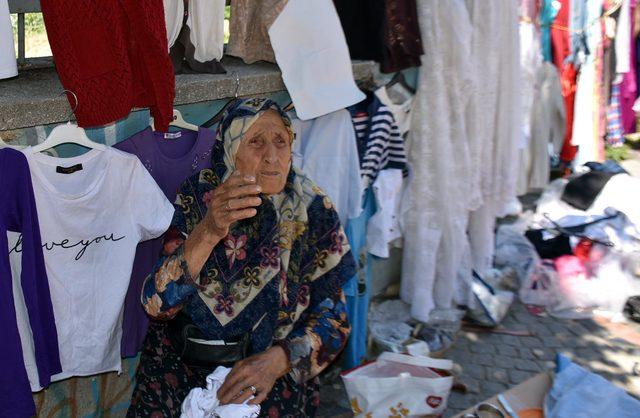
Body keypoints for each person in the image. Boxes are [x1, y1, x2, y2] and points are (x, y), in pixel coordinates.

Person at [127, 98, 355, 417]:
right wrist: (209, 229)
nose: (272, 157)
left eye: (281, 141)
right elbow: (157, 303)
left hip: (270, 390)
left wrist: (279, 360)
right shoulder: (198, 196)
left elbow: (336, 320)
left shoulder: (313, 209)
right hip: (177, 380)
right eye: (256, 142)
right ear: (231, 149)